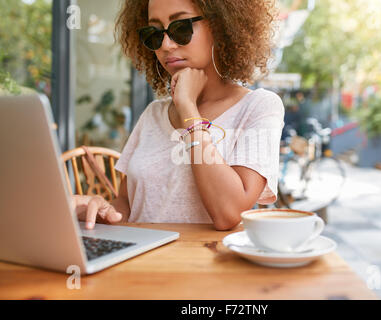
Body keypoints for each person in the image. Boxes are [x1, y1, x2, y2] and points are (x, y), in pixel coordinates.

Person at [73, 0, 285, 231]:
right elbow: (126, 203)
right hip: (139, 262)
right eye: (154, 33)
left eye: (180, 28)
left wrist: (187, 109)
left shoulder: (258, 107)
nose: (165, 44)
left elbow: (228, 213)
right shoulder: (153, 114)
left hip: (208, 262)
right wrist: (98, 211)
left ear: (220, 26)